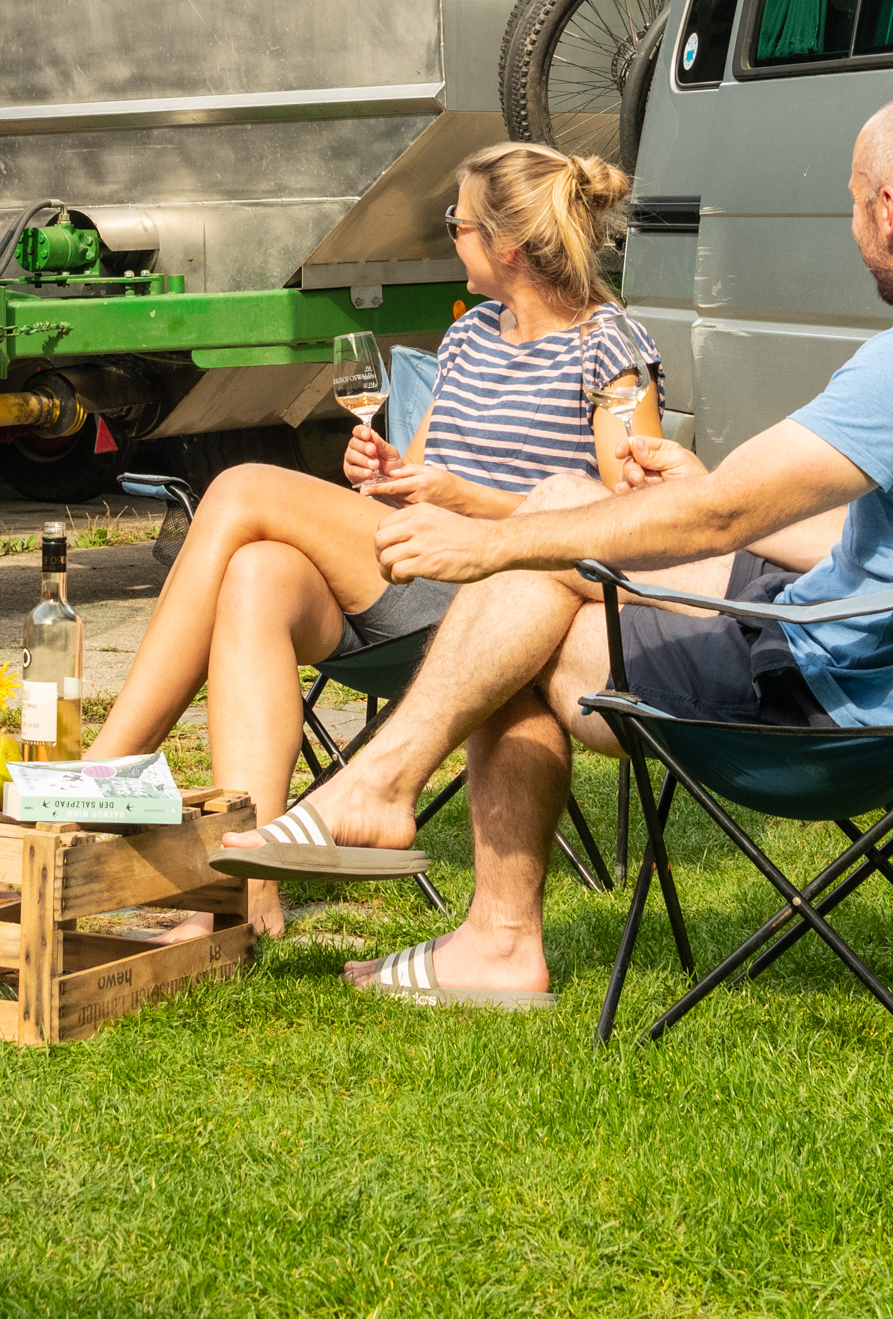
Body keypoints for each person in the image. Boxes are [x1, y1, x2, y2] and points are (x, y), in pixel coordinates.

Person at [218, 91, 893, 1010]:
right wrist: (688, 492)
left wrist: (493, 544)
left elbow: (720, 517)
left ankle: (467, 898)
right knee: (565, 503)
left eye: (852, 203)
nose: (853, 229)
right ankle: (398, 809)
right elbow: (857, 537)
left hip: (825, 703)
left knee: (520, 613)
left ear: (891, 210)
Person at [84, 144, 752, 936]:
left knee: (239, 490)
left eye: (456, 222)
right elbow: (421, 473)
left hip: (498, 605)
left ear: (507, 243)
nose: (449, 235)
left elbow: (627, 519)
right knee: (256, 572)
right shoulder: (468, 337)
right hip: (412, 576)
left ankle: (105, 772)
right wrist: (385, 470)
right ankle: (247, 892)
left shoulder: (609, 348)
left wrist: (466, 503)